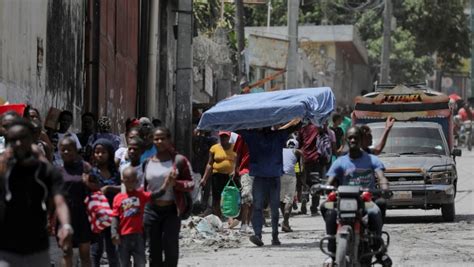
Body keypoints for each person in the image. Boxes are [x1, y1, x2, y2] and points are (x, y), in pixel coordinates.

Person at [0, 118, 73, 267]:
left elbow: (60, 202)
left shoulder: (45, 171)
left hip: (37, 249)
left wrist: (65, 226)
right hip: (7, 250)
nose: (19, 143)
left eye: (23, 138)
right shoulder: (5, 170)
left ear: (32, 139)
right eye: (13, 140)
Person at [322, 126, 392, 266]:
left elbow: (381, 177)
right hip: (343, 200)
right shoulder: (339, 162)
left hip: (365, 200)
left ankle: (379, 250)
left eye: (356, 137)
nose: (353, 140)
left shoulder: (372, 160)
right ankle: (331, 253)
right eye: (350, 137)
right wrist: (324, 188)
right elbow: (329, 181)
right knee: (327, 209)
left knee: (375, 211)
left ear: (361, 140)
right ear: (346, 140)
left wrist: (385, 187)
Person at [238, 122, 299, 247]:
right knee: (272, 208)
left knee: (259, 207)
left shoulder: (254, 136)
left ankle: (260, 235)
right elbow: (294, 128)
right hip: (273, 176)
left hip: (261, 176)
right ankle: (272, 236)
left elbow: (239, 129)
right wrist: (299, 118)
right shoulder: (278, 135)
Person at [143, 127, 194, 267]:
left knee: (170, 248)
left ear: (169, 139)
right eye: (156, 139)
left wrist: (176, 183)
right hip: (151, 210)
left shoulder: (179, 160)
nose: (159, 141)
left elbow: (191, 184)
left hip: (171, 210)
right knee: (154, 250)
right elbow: (143, 187)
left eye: (163, 138)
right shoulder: (147, 162)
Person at [57, 136, 93, 267]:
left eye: (70, 149)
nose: (66, 152)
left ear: (76, 151)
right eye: (63, 150)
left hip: (83, 214)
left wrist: (88, 181)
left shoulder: (85, 167)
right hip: (65, 215)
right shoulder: (58, 171)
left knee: (85, 254)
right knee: (66, 252)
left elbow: (96, 187)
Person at [87, 138, 121, 267]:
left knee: (113, 249)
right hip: (97, 215)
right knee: (96, 249)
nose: (99, 155)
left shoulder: (115, 173)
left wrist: (108, 188)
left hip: (113, 214)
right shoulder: (91, 172)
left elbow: (123, 188)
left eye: (103, 152)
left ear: (110, 154)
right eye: (97, 152)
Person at [111, 167, 150, 267]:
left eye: (133, 181)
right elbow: (115, 217)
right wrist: (114, 233)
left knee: (140, 262)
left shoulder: (141, 195)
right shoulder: (118, 198)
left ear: (137, 181)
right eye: (127, 180)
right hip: (123, 237)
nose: (130, 183)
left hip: (138, 235)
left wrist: (166, 185)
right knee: (123, 263)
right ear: (122, 180)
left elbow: (154, 195)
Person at [200, 131, 238, 227]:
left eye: (226, 137)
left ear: (229, 137)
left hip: (230, 176)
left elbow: (238, 161)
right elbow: (209, 164)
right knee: (217, 199)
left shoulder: (235, 147)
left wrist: (235, 171)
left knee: (229, 198)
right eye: (222, 137)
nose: (224, 139)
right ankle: (218, 221)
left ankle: (231, 219)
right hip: (217, 175)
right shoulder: (214, 148)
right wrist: (204, 178)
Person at [297, 123, 323, 215]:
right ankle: (314, 208)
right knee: (316, 183)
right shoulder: (318, 127)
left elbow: (299, 144)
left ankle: (304, 197)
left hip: (305, 159)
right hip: (316, 159)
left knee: (305, 182)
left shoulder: (302, 129)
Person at [280, 138, 301, 232]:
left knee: (281, 199)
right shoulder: (297, 152)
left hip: (279, 175)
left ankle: (285, 222)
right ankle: (285, 221)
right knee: (289, 200)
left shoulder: (280, 150)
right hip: (291, 176)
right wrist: (303, 183)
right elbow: (299, 169)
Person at [233, 134, 253, 234]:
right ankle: (244, 224)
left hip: (260, 170)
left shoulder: (264, 131)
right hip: (246, 170)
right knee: (246, 196)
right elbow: (237, 152)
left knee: (254, 199)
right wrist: (235, 168)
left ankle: (248, 224)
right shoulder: (243, 135)